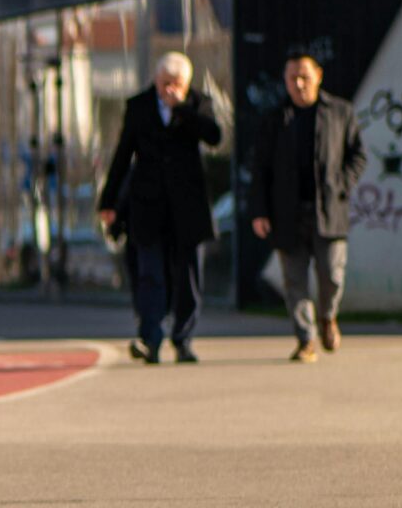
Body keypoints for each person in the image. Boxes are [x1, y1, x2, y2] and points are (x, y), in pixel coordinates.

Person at [98, 52, 222, 364]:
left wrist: (181, 108)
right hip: (148, 205)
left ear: (186, 84)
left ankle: (183, 338)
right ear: (155, 80)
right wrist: (109, 202)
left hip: (188, 206)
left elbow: (214, 136)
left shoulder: (198, 104)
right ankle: (150, 338)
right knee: (150, 274)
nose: (169, 89)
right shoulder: (138, 106)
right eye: (164, 83)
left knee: (188, 276)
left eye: (176, 84)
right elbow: (122, 154)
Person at [251, 52, 369, 363]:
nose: (299, 84)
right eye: (292, 78)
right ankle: (305, 340)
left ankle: (328, 317)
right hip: (287, 213)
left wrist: (342, 184)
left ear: (318, 76)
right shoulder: (276, 119)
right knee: (294, 280)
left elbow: (358, 155)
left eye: (304, 76)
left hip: (328, 211)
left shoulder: (340, 112)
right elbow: (260, 168)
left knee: (331, 274)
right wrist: (260, 211)